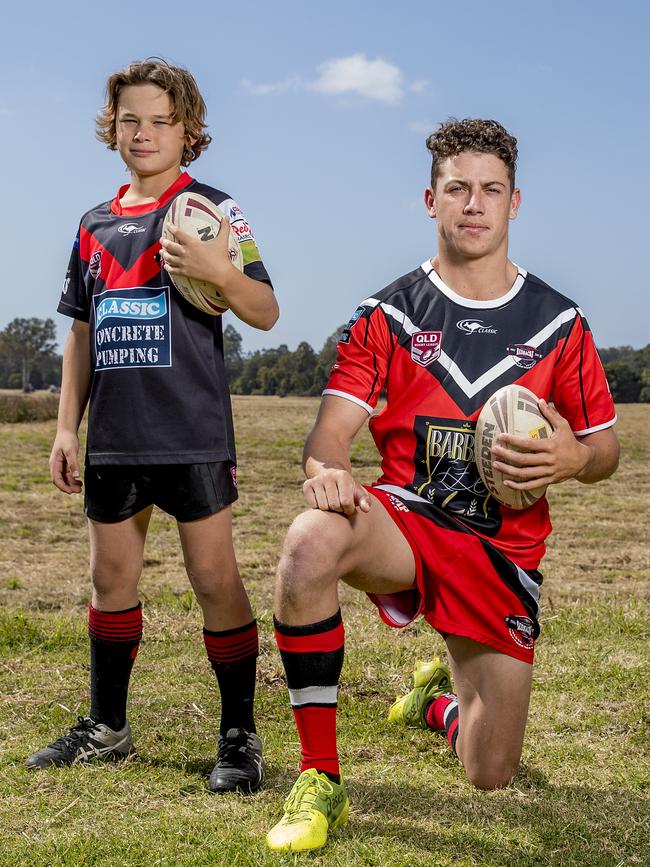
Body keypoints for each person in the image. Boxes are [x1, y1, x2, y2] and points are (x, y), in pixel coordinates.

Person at [265, 118, 619, 851]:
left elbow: (606, 446)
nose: (474, 204)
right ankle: (321, 779)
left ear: (515, 202)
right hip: (409, 523)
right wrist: (327, 474)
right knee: (309, 542)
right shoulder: (390, 314)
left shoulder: (558, 323)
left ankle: (437, 704)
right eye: (457, 188)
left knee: (490, 772)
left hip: (502, 551)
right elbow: (330, 433)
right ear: (431, 200)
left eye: (491, 189)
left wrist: (570, 460)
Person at [26, 59, 278, 795]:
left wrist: (217, 270)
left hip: (192, 431)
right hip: (115, 436)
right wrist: (67, 427)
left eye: (160, 120)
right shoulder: (94, 224)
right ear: (114, 128)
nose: (144, 132)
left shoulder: (213, 211)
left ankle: (239, 735)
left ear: (187, 129)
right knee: (110, 578)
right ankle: (108, 726)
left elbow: (264, 309)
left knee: (213, 576)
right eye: (130, 119)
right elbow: (80, 333)